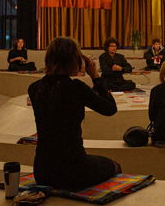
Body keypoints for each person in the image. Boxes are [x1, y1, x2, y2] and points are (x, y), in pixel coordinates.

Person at [29, 37, 120, 190]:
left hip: (42, 171)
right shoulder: (76, 88)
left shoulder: (34, 88)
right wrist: (95, 76)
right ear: (74, 60)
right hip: (73, 170)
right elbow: (110, 109)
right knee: (114, 166)